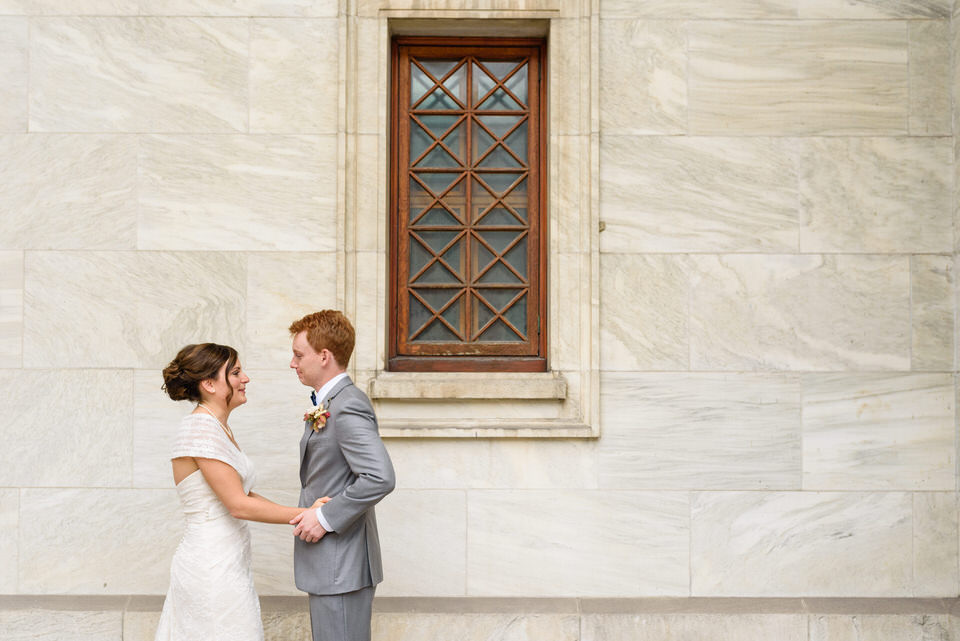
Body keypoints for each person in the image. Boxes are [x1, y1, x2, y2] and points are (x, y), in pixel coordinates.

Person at [155, 342, 327, 641]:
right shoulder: (200, 429)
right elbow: (239, 505)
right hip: (210, 566)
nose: (245, 378)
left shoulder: (216, 427)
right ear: (209, 384)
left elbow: (245, 494)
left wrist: (307, 511)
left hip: (227, 560)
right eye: (235, 373)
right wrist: (309, 515)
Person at [287, 311, 396, 641]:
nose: (293, 363)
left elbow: (380, 476)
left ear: (324, 356)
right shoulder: (330, 402)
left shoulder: (347, 405)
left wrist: (323, 517)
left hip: (342, 562)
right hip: (331, 564)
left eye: (298, 354)